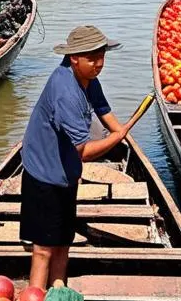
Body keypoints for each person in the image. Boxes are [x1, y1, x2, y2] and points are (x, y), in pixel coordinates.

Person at [20, 26, 135, 287]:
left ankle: (59, 290)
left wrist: (120, 131)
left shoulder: (88, 79)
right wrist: (115, 139)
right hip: (45, 172)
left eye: (102, 56)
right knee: (43, 248)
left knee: (63, 241)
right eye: (92, 58)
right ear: (74, 58)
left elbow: (102, 108)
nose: (99, 64)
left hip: (66, 171)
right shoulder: (66, 92)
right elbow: (82, 152)